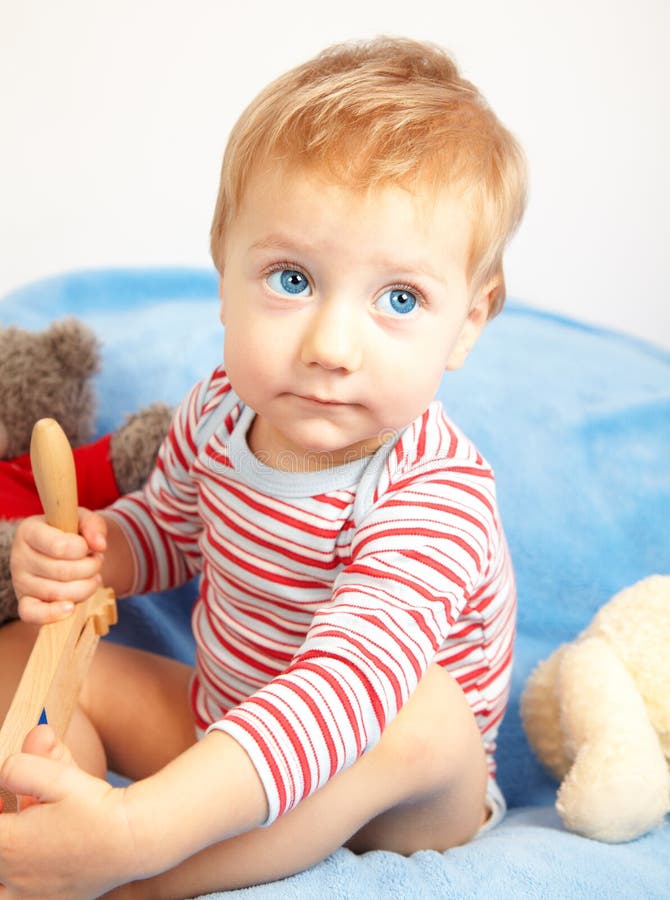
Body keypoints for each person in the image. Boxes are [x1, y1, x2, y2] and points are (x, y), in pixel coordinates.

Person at [0, 36, 526, 899]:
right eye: (290, 278)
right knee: (23, 649)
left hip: (384, 799)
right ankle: (60, 814)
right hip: (226, 731)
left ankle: (136, 866)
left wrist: (145, 829)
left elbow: (339, 696)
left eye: (399, 299)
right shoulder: (219, 408)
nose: (329, 347)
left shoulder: (436, 497)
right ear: (222, 271)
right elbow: (170, 528)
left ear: (468, 321)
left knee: (419, 711)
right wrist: (98, 551)